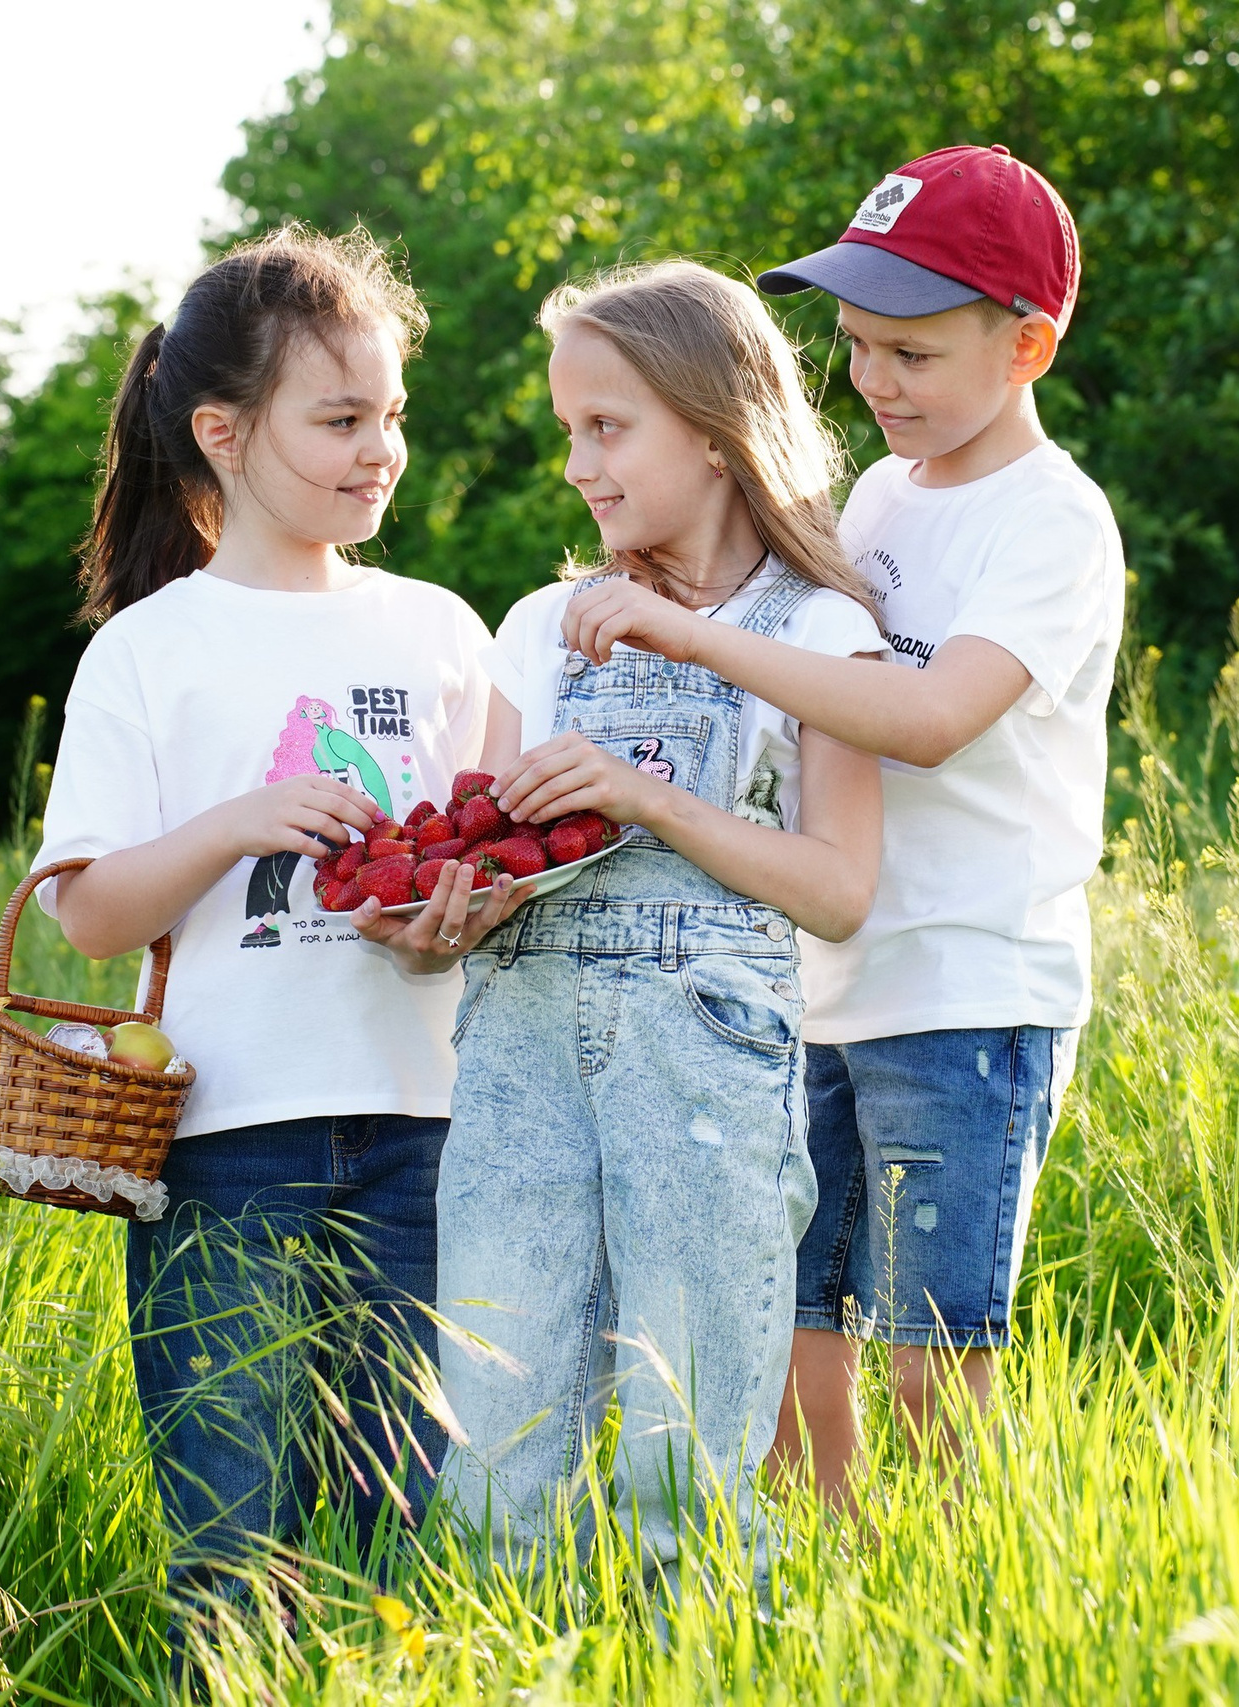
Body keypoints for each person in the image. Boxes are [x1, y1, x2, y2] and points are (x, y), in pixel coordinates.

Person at [557, 146, 1126, 1511]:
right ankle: (834, 1597)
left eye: (914, 354)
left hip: (970, 991)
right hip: (825, 983)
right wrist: (670, 571)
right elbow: (778, 619)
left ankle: (958, 1595)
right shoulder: (878, 496)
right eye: (858, 345)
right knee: (798, 1342)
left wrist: (687, 633)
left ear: (1028, 346)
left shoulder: (1053, 523)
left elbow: (924, 719)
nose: (873, 381)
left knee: (935, 1357)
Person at [364, 259, 885, 1587]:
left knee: (685, 1457)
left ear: (713, 429)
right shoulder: (538, 629)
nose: (580, 466)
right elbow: (469, 875)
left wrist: (644, 795)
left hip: (704, 1056)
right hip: (519, 1051)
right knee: (494, 1441)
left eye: (609, 427)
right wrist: (430, 914)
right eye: (569, 432)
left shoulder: (817, 631)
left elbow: (837, 888)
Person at [32, 227, 513, 1613]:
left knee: (394, 1524)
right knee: (234, 1535)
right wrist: (239, 821)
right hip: (222, 1145)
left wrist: (448, 921)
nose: (382, 451)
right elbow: (90, 914)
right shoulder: (149, 651)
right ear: (225, 433)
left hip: (423, 1130)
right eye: (342, 419)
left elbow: (468, 856)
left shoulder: (436, 629)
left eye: (393, 417)